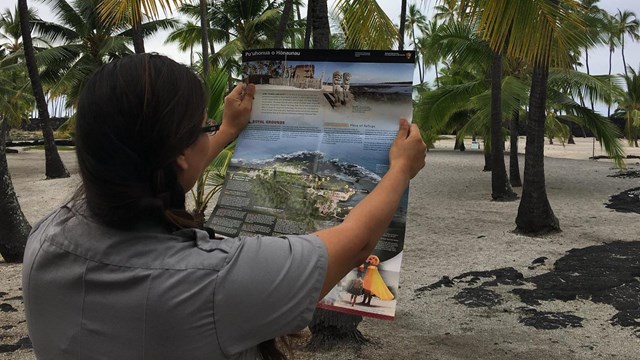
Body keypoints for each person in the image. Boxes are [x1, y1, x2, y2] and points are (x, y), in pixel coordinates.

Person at [22, 53, 426, 360]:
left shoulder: (47, 240)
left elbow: (161, 168)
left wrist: (228, 130)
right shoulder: (212, 280)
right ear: (180, 153)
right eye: (204, 126)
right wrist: (400, 170)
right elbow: (355, 243)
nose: (208, 134)